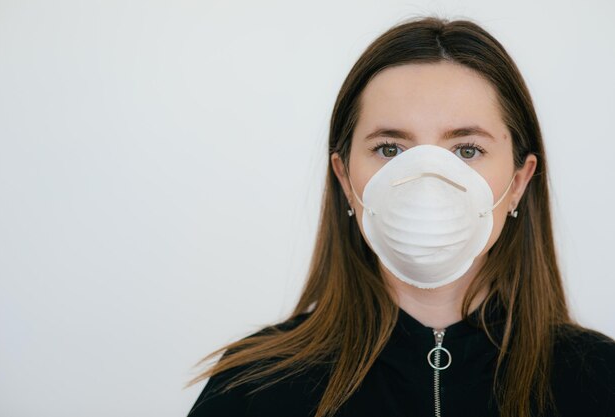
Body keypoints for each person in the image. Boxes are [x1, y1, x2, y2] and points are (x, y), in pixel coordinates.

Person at [185, 16, 615, 417]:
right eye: (390, 149)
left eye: (467, 150)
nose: (427, 179)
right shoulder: (253, 387)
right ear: (344, 177)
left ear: (519, 181)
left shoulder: (599, 381)